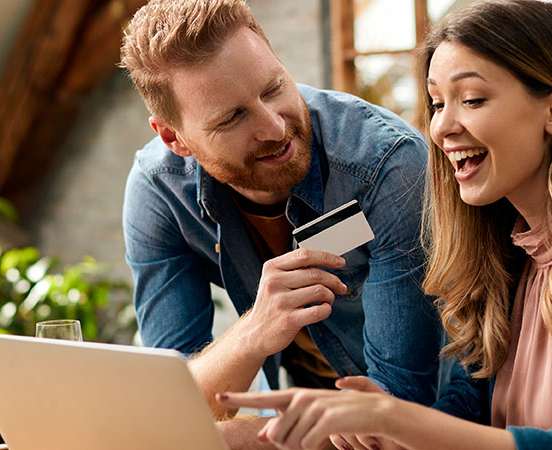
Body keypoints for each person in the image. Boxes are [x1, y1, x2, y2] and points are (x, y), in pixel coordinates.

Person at [219, 1, 552, 449]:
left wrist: (399, 420)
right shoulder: (508, 254)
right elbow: (467, 411)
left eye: (473, 100)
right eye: (437, 104)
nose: (442, 127)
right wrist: (388, 431)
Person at [119, 0, 445, 447]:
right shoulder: (159, 192)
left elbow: (400, 406)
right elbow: (170, 405)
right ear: (174, 138)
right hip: (311, 417)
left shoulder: (386, 165)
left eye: (273, 88)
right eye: (232, 117)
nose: (274, 128)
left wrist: (243, 437)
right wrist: (253, 332)